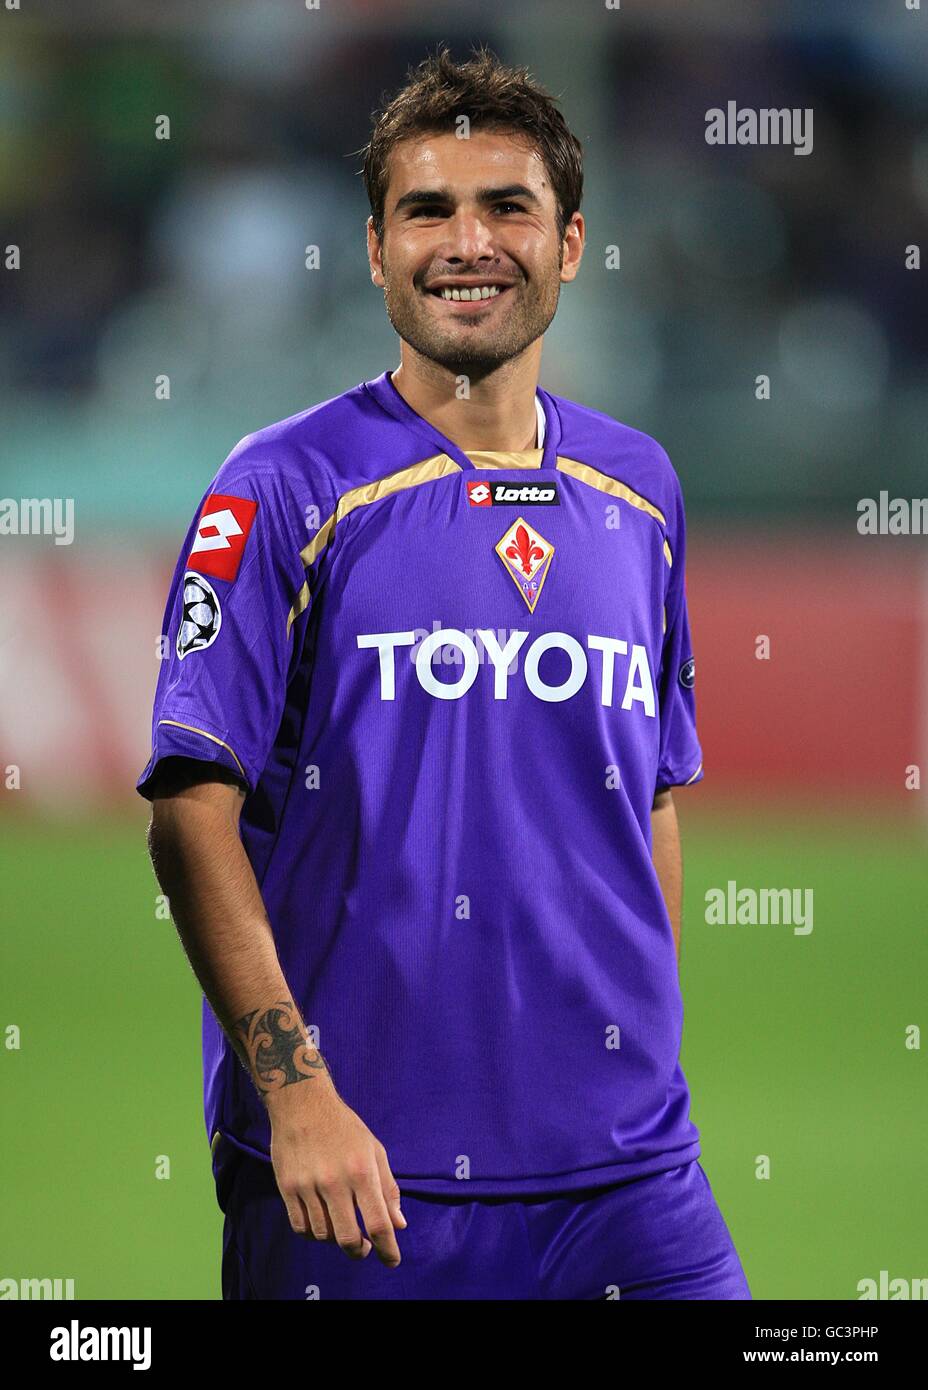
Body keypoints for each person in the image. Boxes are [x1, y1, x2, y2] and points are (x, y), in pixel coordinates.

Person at [139, 43, 750, 1300]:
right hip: (366, 1174)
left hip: (630, 1176)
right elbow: (188, 814)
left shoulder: (641, 487)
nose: (466, 241)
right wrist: (295, 1093)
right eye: (427, 210)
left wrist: (639, 1053)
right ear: (374, 250)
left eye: (506, 207)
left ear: (570, 244)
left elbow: (652, 795)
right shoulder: (279, 490)